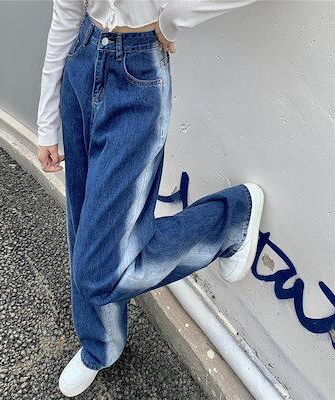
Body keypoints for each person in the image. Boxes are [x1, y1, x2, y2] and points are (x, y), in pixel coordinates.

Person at [36, 0, 261, 397]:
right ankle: (101, 345)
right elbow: (67, 13)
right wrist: (46, 121)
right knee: (82, 219)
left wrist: (173, 19)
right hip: (82, 58)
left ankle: (232, 219)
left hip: (138, 75)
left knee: (100, 270)